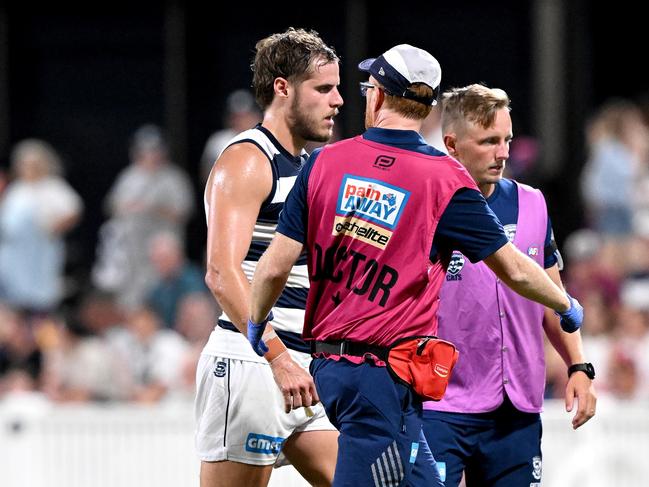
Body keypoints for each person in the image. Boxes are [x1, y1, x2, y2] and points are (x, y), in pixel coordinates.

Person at [247, 44, 584, 487]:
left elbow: (272, 268)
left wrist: (257, 325)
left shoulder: (326, 162)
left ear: (380, 96)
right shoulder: (444, 178)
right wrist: (566, 304)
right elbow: (515, 270)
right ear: (426, 106)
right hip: (383, 376)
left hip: (336, 368)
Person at [419, 84, 597, 486]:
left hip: (516, 410)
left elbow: (552, 295)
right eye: (489, 142)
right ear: (452, 144)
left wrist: (579, 366)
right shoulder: (428, 206)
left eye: (507, 140)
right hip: (441, 404)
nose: (503, 153)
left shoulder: (534, 201)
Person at [194, 28, 343, 487]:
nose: (337, 100)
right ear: (283, 88)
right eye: (323, 88)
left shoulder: (306, 165)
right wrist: (276, 356)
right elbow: (221, 273)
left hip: (304, 367)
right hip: (253, 361)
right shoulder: (247, 159)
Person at [93, 124, 194, 310]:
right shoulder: (128, 177)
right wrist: (129, 208)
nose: (150, 155)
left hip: (161, 253)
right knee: (130, 300)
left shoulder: (173, 178)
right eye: (145, 151)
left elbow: (183, 212)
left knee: (162, 299)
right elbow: (112, 206)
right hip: (132, 253)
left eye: (155, 150)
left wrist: (153, 208)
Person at [0, 139, 83, 314]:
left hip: (40, 253)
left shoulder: (53, 187)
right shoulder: (17, 189)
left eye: (33, 164)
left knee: (40, 297)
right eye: (25, 164)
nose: (29, 169)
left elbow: (74, 211)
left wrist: (53, 229)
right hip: (14, 254)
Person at [200, 89, 262, 184]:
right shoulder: (218, 141)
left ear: (255, 116)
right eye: (236, 116)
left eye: (245, 116)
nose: (240, 121)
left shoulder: (264, 138)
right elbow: (206, 174)